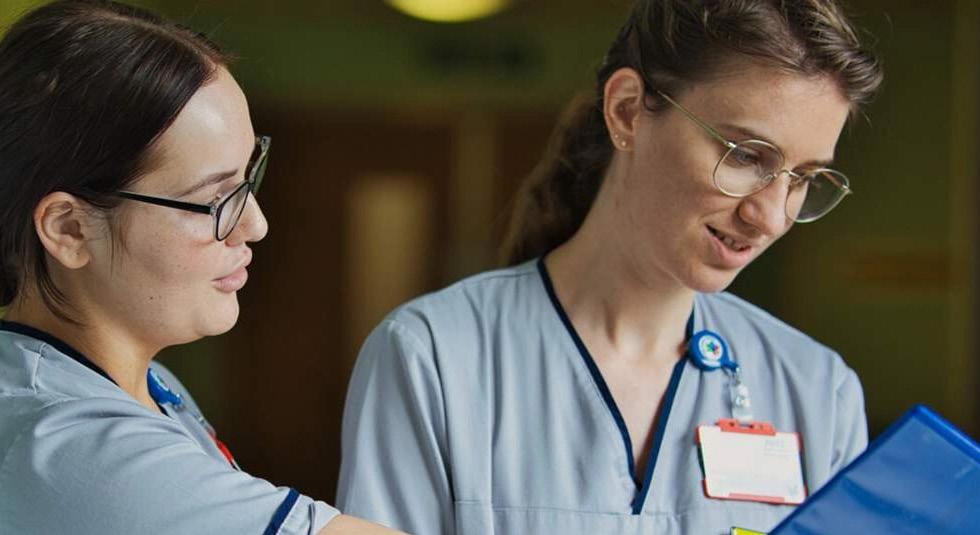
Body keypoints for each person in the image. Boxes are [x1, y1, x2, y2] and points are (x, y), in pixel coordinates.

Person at [336, 0, 883, 533]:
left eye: (803, 178)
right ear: (627, 111)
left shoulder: (817, 392)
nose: (770, 216)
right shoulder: (433, 357)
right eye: (744, 155)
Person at [0, 2, 403, 534]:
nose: (254, 224)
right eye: (214, 199)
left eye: (247, 178)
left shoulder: (146, 385)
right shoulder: (71, 444)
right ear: (70, 228)